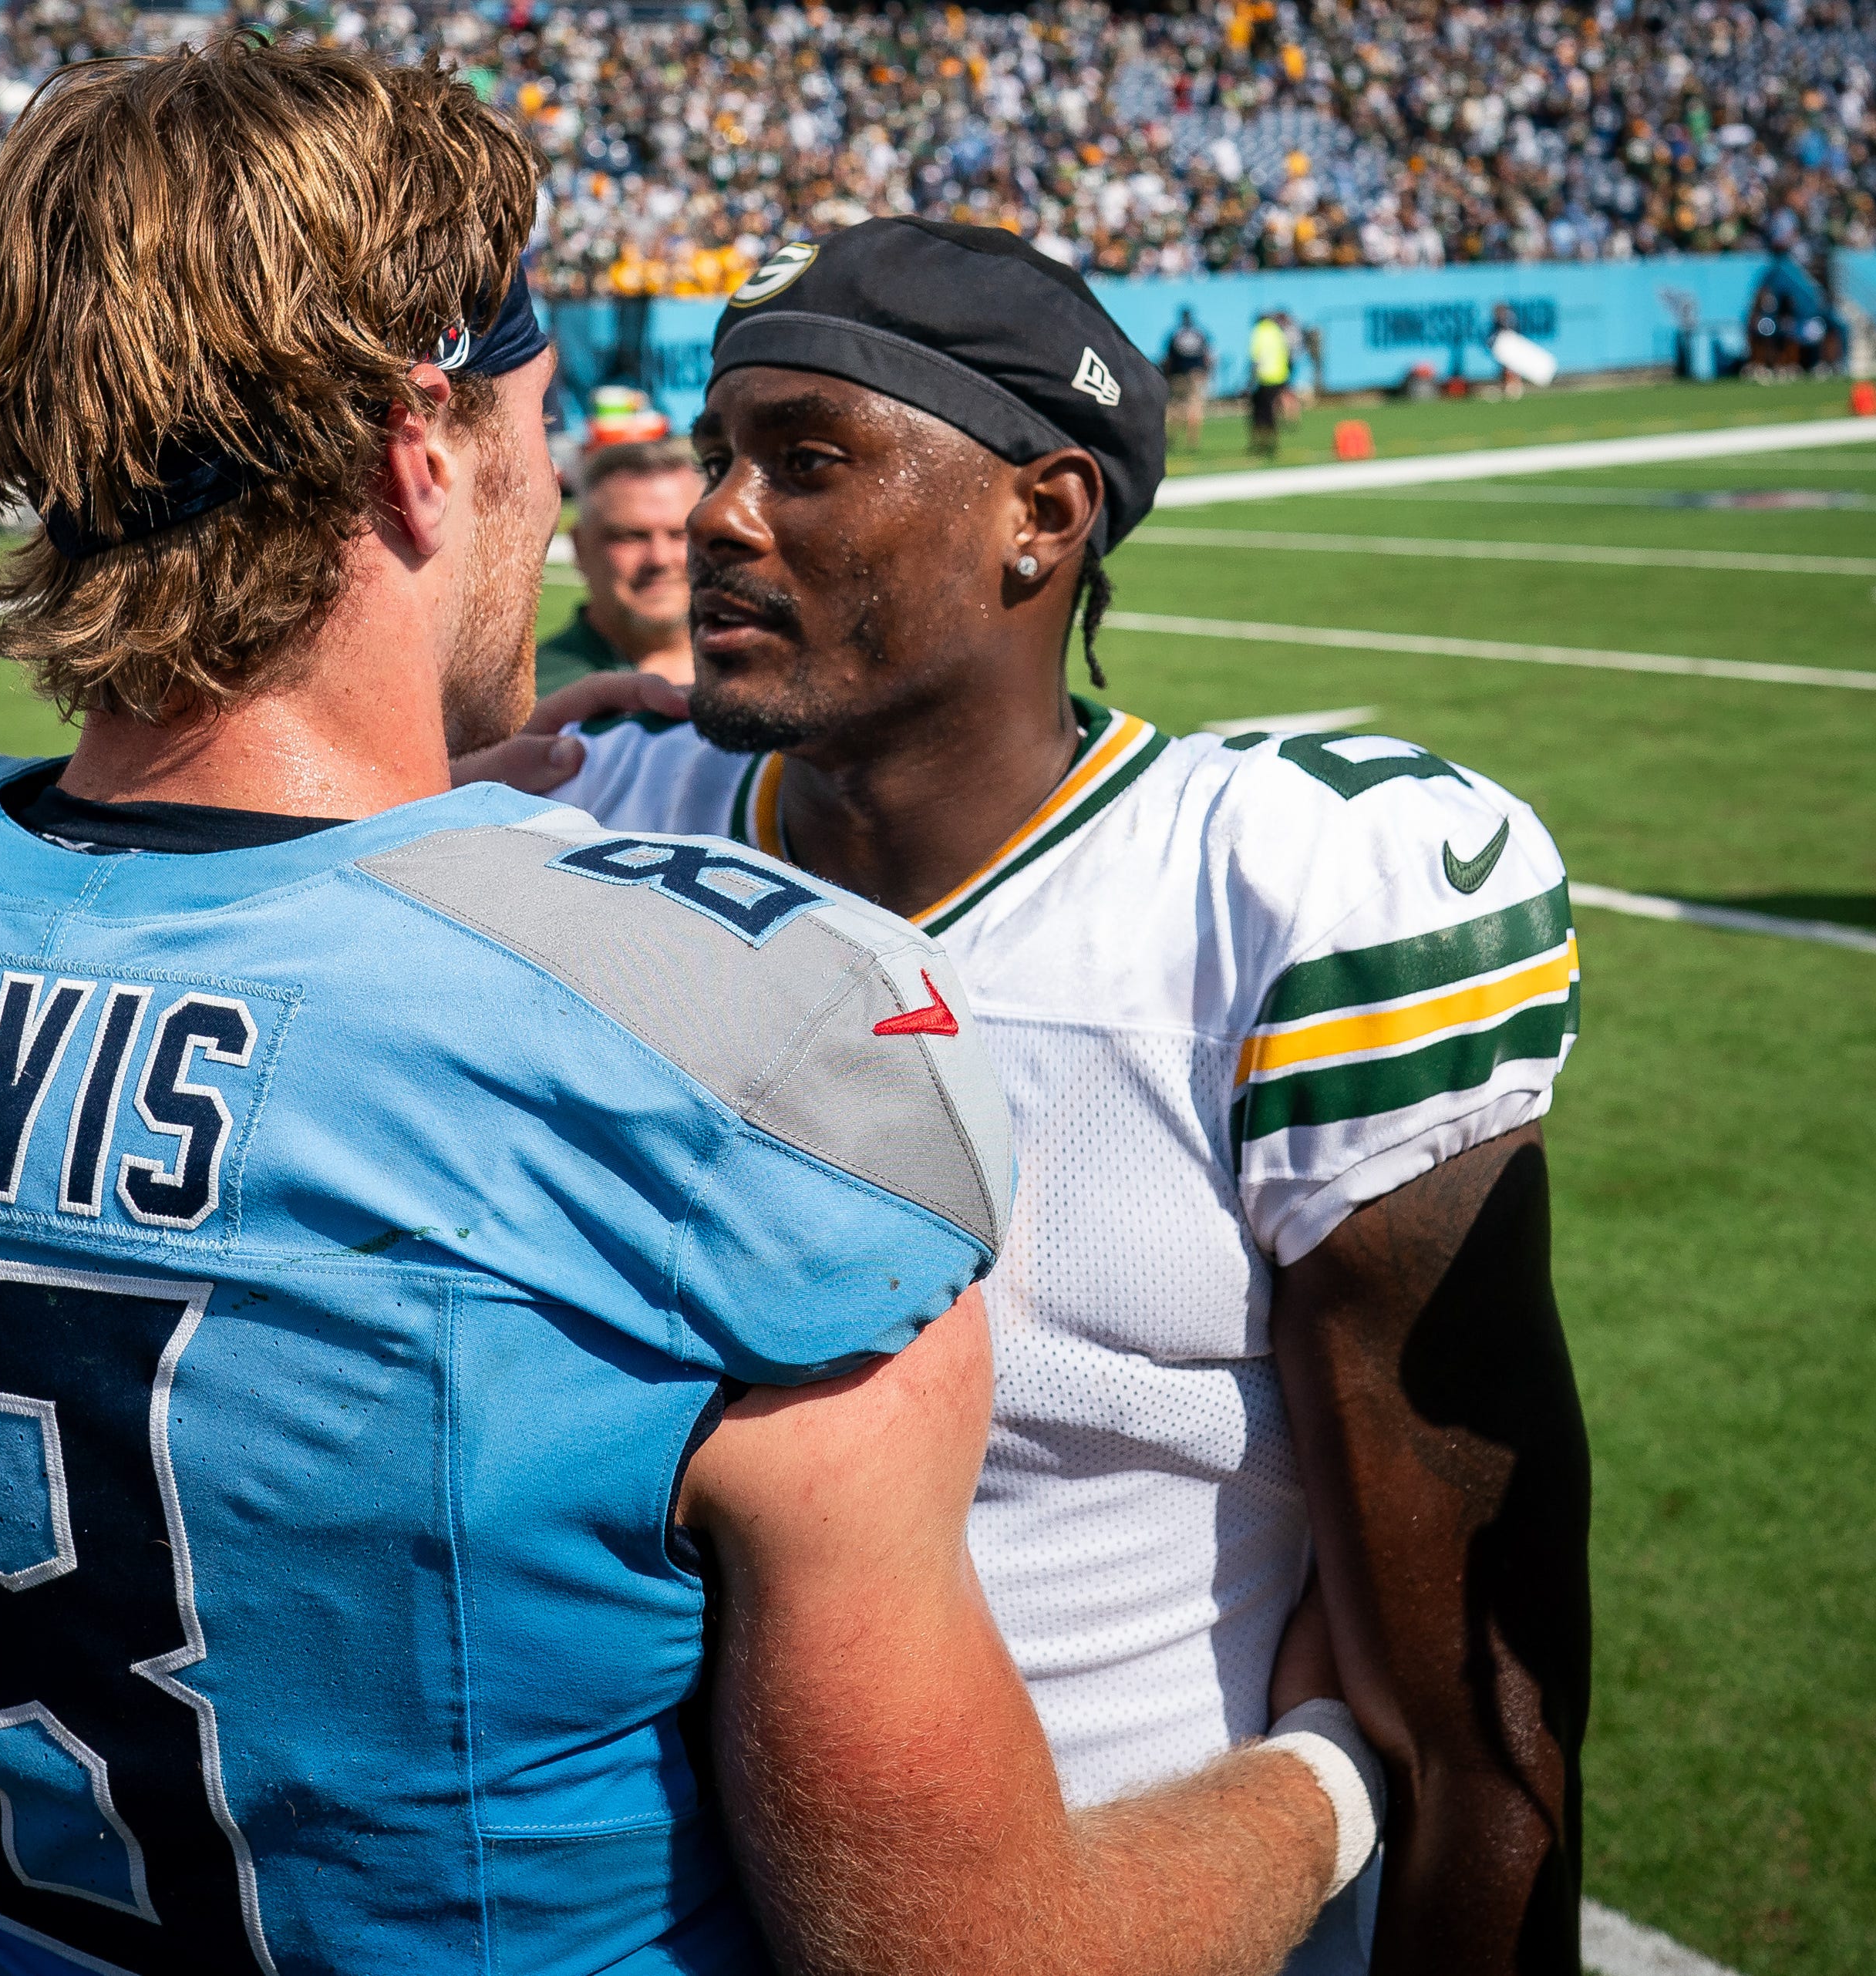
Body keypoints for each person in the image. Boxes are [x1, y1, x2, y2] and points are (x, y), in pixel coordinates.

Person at [0, 41, 1374, 1976]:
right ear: (415, 450)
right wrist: (1338, 1771)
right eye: (533, 430)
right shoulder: (736, 1039)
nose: (587, 502)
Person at [480, 217, 1592, 1973]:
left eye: (807, 460)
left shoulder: (1267, 901)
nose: (712, 514)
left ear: (1043, 515)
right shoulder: (584, 825)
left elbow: (1480, 1717)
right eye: (716, 457)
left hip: (1160, 1899)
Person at [536, 436, 700, 694]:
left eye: (680, 534)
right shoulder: (529, 699)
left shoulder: (766, 673)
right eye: (630, 537)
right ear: (580, 547)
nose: (659, 559)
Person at [1161, 305, 1213, 453]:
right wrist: (1207, 373)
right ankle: (1192, 440)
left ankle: (1170, 438)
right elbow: (1208, 356)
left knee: (1175, 407)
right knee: (1195, 407)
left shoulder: (1175, 335)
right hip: (1196, 374)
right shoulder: (1199, 334)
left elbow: (1168, 359)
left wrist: (1166, 376)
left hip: (1177, 375)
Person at [1248, 306, 1291, 457]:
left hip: (1265, 377)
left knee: (1260, 412)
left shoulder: (1259, 332)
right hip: (1280, 375)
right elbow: (1286, 352)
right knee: (1273, 410)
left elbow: (1256, 358)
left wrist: (1250, 381)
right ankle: (1274, 441)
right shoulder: (1277, 331)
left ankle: (1261, 443)